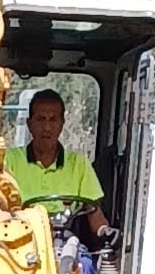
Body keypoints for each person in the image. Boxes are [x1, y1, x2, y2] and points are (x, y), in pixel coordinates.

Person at [8, 88, 110, 242]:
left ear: (62, 124)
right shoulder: (9, 161)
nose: (47, 127)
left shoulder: (79, 165)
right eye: (41, 119)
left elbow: (95, 215)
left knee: (86, 265)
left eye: (53, 119)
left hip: (66, 241)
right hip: (21, 241)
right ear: (30, 123)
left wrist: (106, 232)